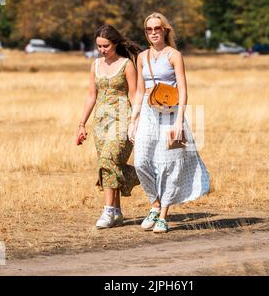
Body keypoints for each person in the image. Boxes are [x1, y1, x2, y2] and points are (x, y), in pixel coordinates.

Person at [128, 12, 210, 233]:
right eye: (149, 29)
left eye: (157, 28)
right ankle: (154, 204)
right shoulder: (142, 57)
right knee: (141, 161)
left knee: (168, 164)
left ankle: (163, 213)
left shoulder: (174, 55)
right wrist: (133, 119)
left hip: (171, 111)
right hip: (147, 110)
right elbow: (138, 91)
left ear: (165, 30)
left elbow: (183, 89)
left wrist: (180, 120)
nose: (153, 32)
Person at [76, 25, 141, 229]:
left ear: (115, 44)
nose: (102, 49)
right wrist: (81, 124)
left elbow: (134, 94)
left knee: (107, 160)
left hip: (123, 119)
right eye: (99, 46)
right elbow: (91, 96)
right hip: (101, 122)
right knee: (111, 166)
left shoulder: (126, 65)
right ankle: (118, 212)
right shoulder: (95, 65)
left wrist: (136, 121)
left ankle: (107, 211)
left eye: (106, 45)